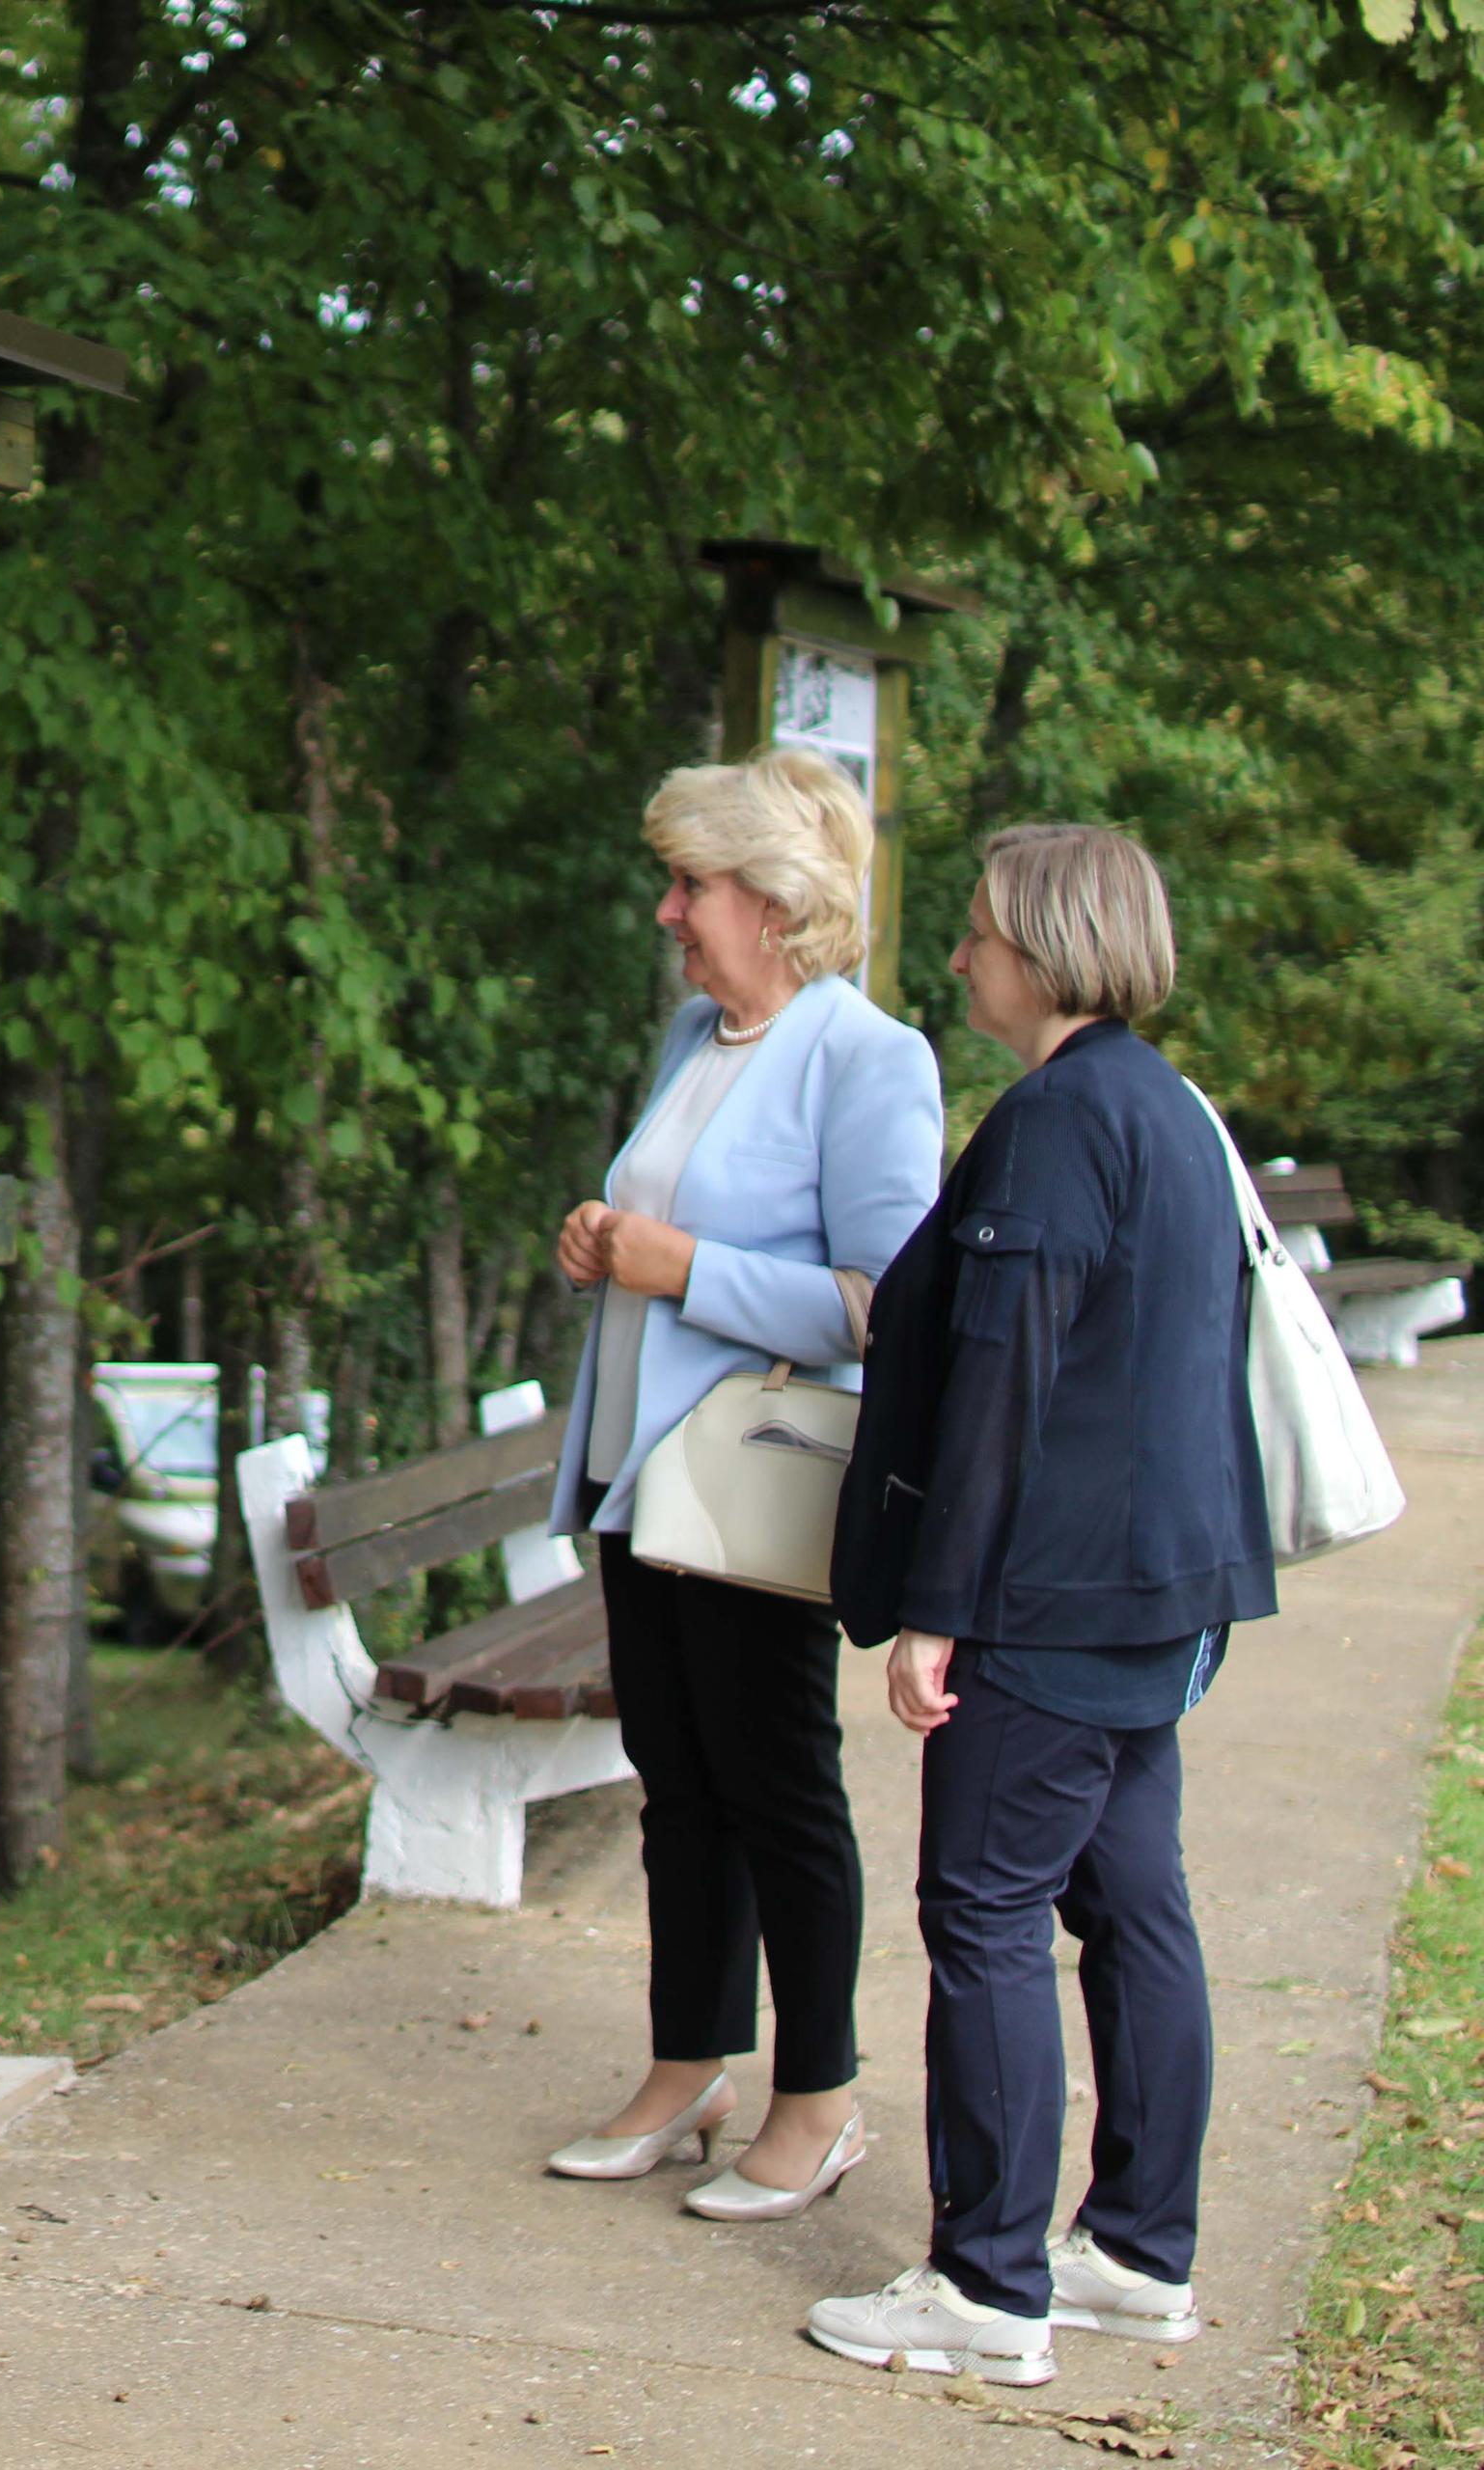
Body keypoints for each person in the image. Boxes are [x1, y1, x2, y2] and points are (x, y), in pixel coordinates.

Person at [808, 826, 1275, 2387]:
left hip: (1047, 1602)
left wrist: (938, 1610)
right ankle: (1139, 2250)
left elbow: (1008, 1376)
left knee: (986, 1914)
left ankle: (989, 2286)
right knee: (1136, 1905)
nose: (960, 961)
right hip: (1153, 1595)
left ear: (1048, 943)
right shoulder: (1171, 1112)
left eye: (979, 935)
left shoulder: (1059, 1121)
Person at [542, 748, 944, 2217]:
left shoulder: (867, 1057)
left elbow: (885, 1305)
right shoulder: (693, 1039)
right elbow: (659, 1230)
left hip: (759, 1493)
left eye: (690, 884)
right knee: (677, 1787)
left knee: (779, 1788)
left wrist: (688, 1271)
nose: (668, 910)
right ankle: (688, 2065)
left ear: (773, 903)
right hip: (643, 1482)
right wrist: (605, 1243)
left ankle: (819, 2097)